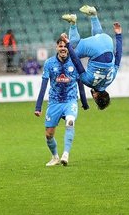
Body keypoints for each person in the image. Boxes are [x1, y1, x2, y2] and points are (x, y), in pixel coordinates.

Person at [35, 36, 89, 167]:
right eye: (60, 46)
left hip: (70, 101)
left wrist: (84, 101)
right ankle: (55, 157)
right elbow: (43, 85)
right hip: (54, 102)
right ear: (57, 48)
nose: (63, 48)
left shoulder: (74, 63)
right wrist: (38, 107)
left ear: (68, 49)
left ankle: (66, 154)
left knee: (70, 122)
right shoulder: (49, 63)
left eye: (65, 46)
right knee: (49, 134)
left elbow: (80, 82)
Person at [61, 5, 122, 110]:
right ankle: (73, 22)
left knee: (97, 35)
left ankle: (94, 15)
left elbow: (118, 57)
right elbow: (77, 62)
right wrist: (68, 44)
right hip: (95, 49)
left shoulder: (112, 78)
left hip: (107, 41)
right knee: (72, 51)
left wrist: (118, 35)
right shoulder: (88, 82)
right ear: (96, 97)